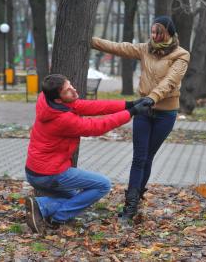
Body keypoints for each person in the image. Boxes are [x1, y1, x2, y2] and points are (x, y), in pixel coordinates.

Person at [24, 74, 152, 234]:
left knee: (77, 198)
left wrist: (129, 104)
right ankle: (55, 217)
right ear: (58, 99)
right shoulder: (62, 119)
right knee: (103, 185)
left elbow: (89, 106)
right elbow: (96, 126)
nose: (74, 90)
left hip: (36, 170)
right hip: (48, 173)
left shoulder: (47, 100)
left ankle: (42, 206)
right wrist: (131, 113)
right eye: (68, 90)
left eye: (71, 85)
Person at [91, 16, 190, 219]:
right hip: (144, 111)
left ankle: (137, 194)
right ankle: (131, 206)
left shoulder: (181, 55)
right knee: (139, 158)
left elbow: (171, 81)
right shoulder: (146, 49)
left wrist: (152, 98)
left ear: (169, 33)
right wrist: (91, 41)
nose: (154, 36)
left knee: (148, 157)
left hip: (165, 113)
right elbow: (120, 47)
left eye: (158, 32)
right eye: (152, 32)